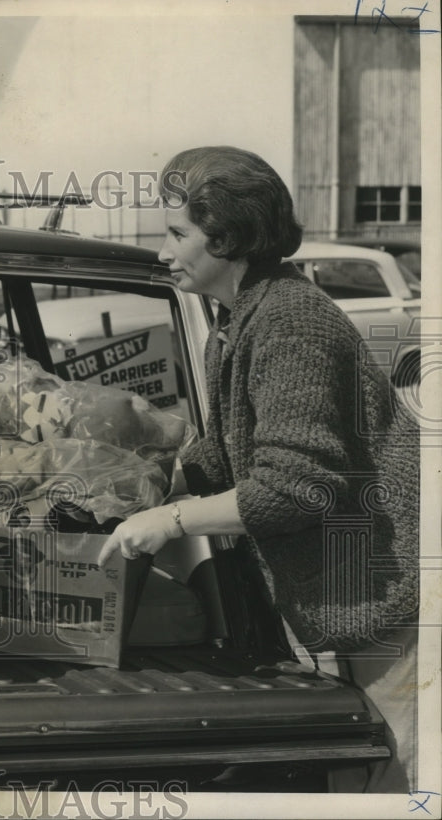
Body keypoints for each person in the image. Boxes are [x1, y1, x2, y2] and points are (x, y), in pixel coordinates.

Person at [97, 146, 420, 792]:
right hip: (356, 600)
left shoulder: (288, 321)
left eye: (176, 234)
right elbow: (223, 452)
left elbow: (296, 486)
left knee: (399, 783)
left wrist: (170, 519)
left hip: (398, 601)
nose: (163, 252)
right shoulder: (238, 319)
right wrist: (132, 481)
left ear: (230, 236)